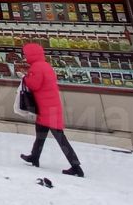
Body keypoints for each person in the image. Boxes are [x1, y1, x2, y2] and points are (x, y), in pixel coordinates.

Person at [19, 42, 84, 177]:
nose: (25, 57)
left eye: (26, 54)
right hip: (50, 107)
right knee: (40, 135)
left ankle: (76, 167)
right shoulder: (46, 65)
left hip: (47, 109)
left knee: (60, 138)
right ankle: (34, 157)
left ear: (31, 55)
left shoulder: (36, 67)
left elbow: (34, 85)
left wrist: (25, 77)